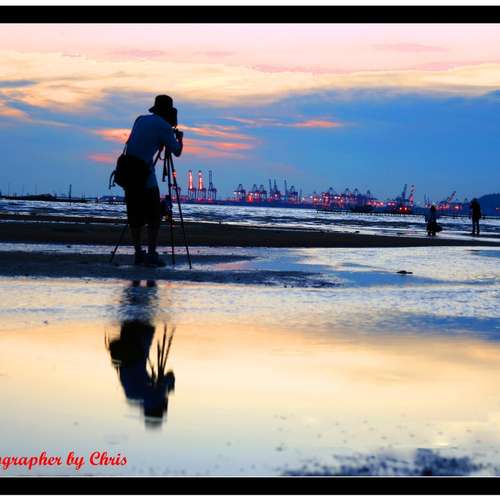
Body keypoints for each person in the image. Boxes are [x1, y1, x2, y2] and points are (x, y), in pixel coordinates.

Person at [124, 95, 184, 267]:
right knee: (154, 217)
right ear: (168, 112)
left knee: (134, 216)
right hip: (145, 176)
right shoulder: (163, 126)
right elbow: (177, 151)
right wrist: (179, 138)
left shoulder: (140, 120)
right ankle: (151, 254)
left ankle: (138, 254)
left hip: (128, 172)